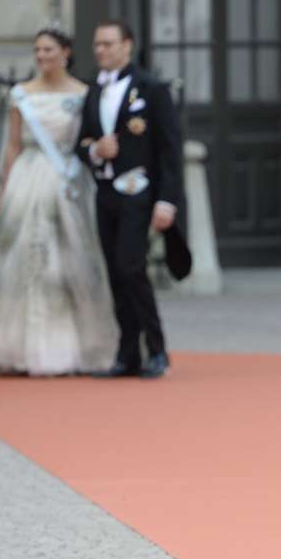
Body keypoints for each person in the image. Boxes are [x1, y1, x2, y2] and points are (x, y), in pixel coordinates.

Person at [0, 26, 118, 376]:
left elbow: (91, 139)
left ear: (66, 53)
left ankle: (70, 348)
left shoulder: (84, 93)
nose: (41, 57)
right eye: (37, 51)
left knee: (69, 260)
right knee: (18, 260)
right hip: (27, 177)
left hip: (67, 180)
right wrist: (4, 188)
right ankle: (14, 348)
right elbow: (12, 145)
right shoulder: (21, 94)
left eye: (48, 50)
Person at [76, 19, 185, 379]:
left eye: (108, 44)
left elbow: (170, 149)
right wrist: (96, 151)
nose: (100, 51)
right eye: (97, 45)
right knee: (115, 273)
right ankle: (127, 353)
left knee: (131, 268)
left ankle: (157, 348)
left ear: (128, 45)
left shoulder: (151, 88)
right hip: (105, 192)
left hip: (139, 191)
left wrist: (167, 201)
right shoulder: (94, 90)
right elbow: (82, 143)